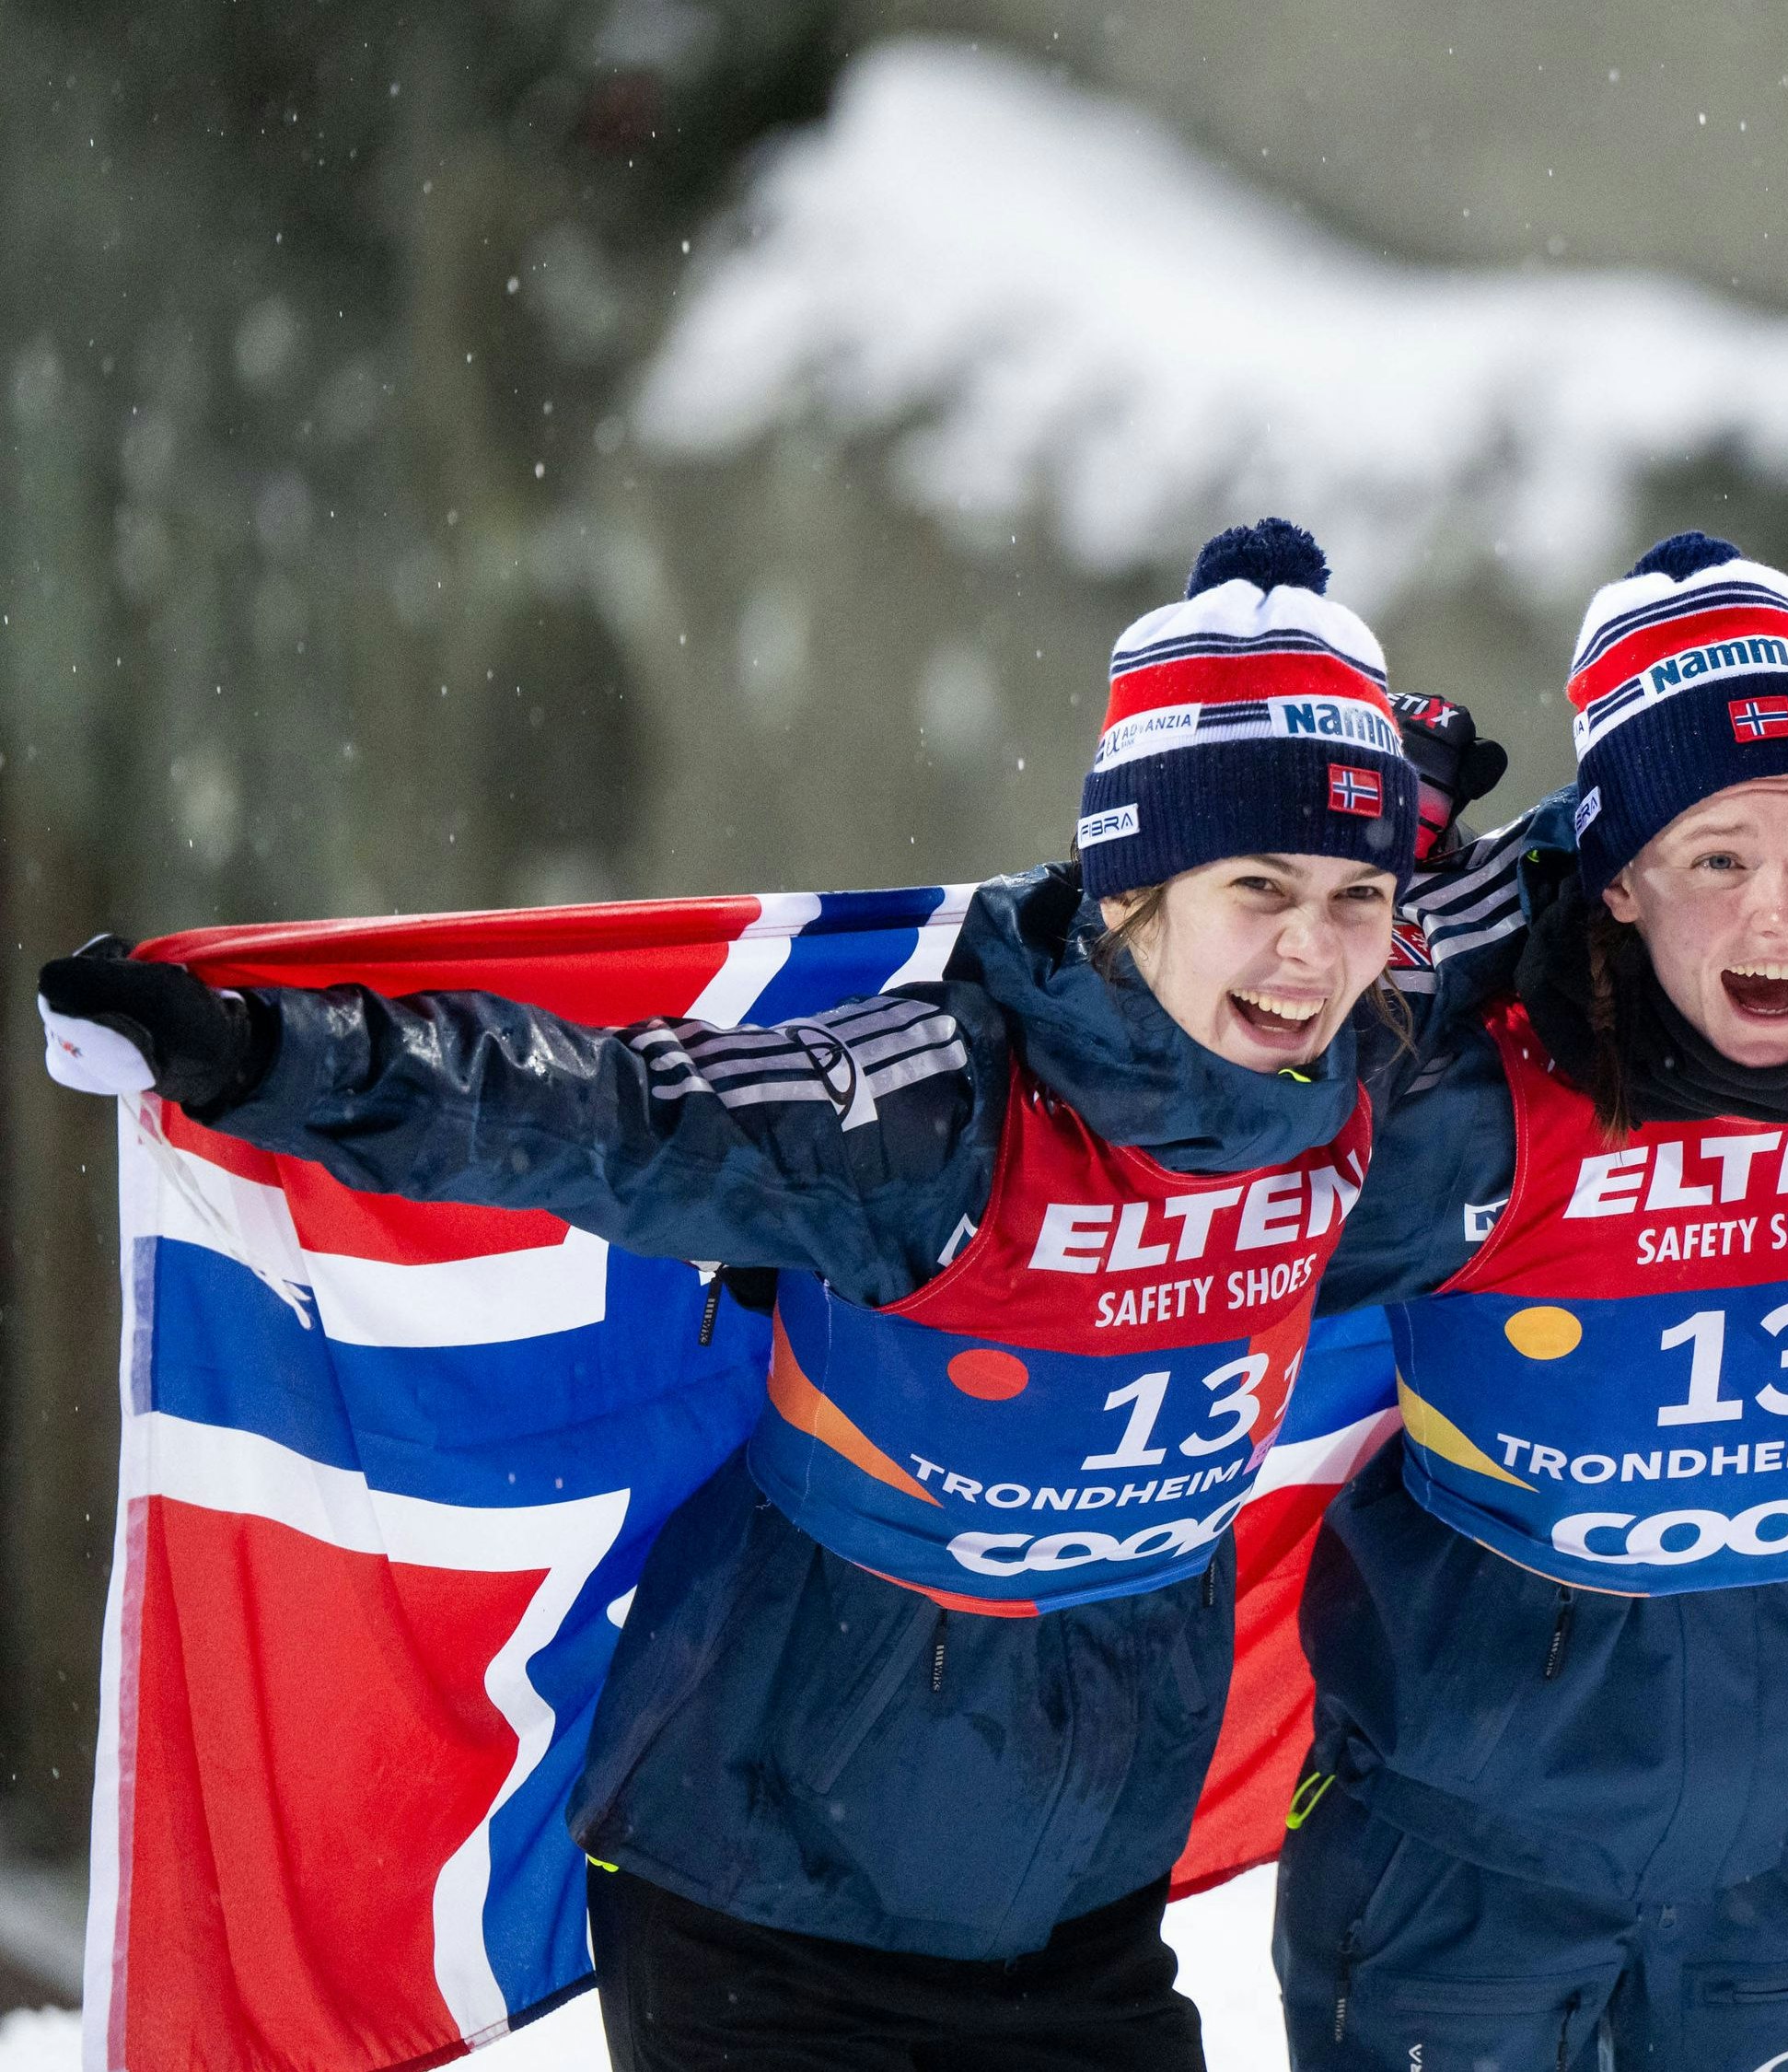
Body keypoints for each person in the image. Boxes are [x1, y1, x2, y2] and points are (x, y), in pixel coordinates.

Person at [36, 520, 1434, 2071]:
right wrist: (259, 1055)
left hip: (1074, 1917)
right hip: (763, 1903)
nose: (1312, 953)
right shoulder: (939, 1111)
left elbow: (1604, 909)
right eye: (1259, 884)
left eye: (1358, 894)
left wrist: (1464, 802)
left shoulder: (1369, 1072)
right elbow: (600, 1114)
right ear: (1135, 886)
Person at [1276, 533, 1788, 2072]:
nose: (1783, 919)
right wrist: (1371, 895)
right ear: (1615, 878)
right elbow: (1195, 1128)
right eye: (1717, 857)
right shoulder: (1471, 1081)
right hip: (1465, 1871)